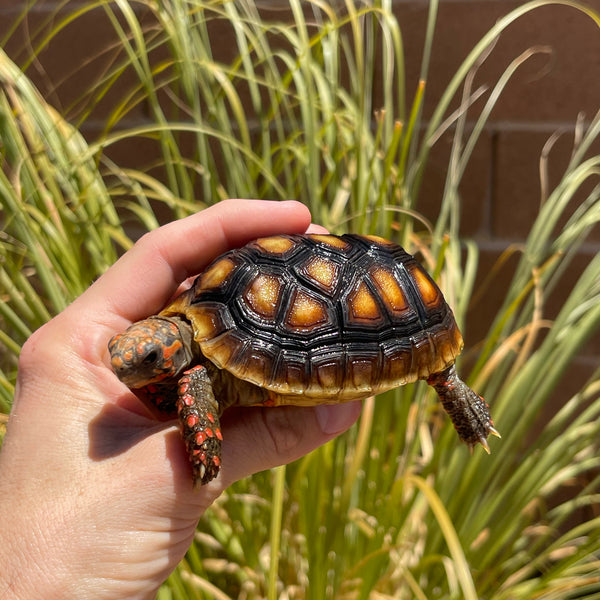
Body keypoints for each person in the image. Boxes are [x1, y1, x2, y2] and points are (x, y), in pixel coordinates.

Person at [0, 199, 362, 599]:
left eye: (150, 359)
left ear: (173, 347)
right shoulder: (183, 350)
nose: (125, 372)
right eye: (121, 357)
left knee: (194, 384)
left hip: (344, 335)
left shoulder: (194, 376)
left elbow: (195, 384)